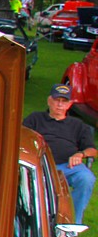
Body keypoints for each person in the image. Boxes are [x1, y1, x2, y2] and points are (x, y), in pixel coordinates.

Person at [24, 84, 97, 223]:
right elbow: (21, 138)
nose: (59, 105)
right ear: (49, 101)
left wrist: (80, 154)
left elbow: (92, 150)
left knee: (86, 178)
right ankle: (36, 222)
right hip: (40, 165)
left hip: (67, 166)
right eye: (57, 100)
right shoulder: (35, 119)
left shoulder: (78, 125)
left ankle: (72, 223)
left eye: (64, 101)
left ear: (70, 104)